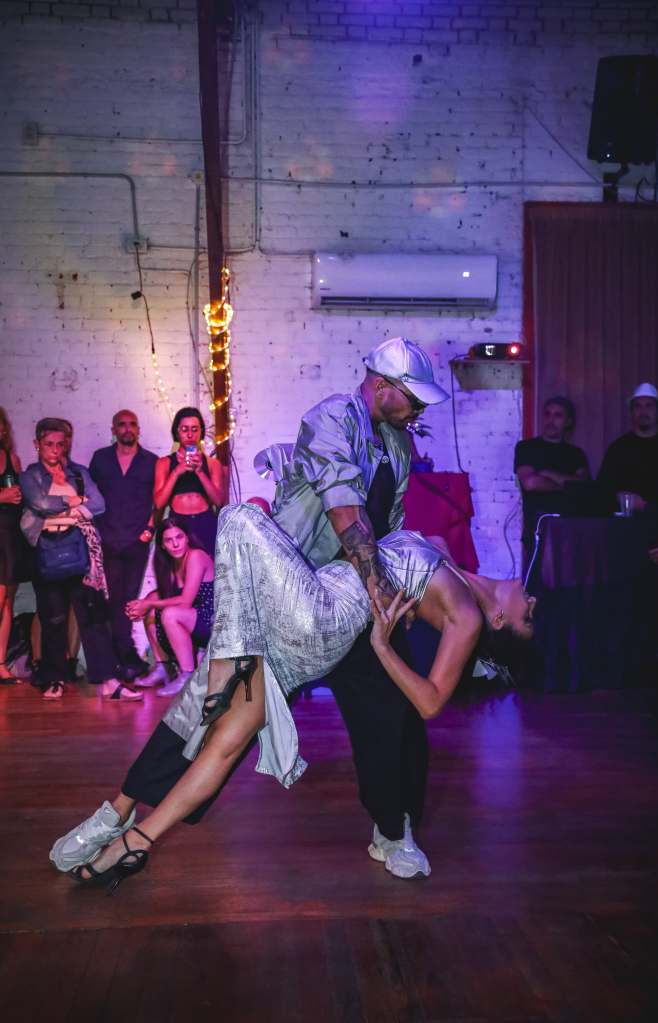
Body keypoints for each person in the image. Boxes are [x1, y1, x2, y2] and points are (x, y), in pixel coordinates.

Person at [49, 502, 534, 888]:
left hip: (324, 618)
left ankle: (221, 668)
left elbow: (430, 703)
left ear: (499, 622)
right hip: (295, 620)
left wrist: (383, 648)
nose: (532, 600)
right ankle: (135, 842)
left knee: (239, 516)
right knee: (222, 745)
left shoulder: (468, 617)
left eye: (527, 617)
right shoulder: (446, 556)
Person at [272, 336, 451, 878]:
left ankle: (394, 831)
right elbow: (346, 515)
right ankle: (128, 812)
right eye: (412, 398)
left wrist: (397, 595)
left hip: (360, 596)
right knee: (224, 721)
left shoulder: (398, 443)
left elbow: (388, 527)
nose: (418, 409)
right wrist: (383, 594)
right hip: (303, 597)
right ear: (381, 386)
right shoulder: (330, 418)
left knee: (397, 712)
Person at [19, 418, 141, 701]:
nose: (55, 449)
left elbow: (98, 504)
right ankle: (54, 678)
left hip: (80, 550)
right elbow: (40, 504)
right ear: (37, 444)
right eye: (49, 444)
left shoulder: (79, 473)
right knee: (53, 618)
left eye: (60, 444)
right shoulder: (30, 475)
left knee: (94, 616)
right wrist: (74, 503)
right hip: (47, 551)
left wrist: (60, 512)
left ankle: (108, 681)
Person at [89, 410, 157, 682]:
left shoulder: (151, 461)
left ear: (138, 429)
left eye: (132, 425)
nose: (127, 429)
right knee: (113, 599)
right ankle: (124, 658)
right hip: (107, 540)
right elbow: (90, 495)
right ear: (113, 429)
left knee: (128, 597)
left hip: (136, 542)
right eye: (122, 425)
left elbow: (158, 499)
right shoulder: (100, 459)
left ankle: (124, 658)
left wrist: (149, 530)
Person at [125, 517, 214, 697]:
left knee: (170, 613)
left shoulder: (196, 556)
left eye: (179, 537)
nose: (175, 544)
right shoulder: (170, 562)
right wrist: (141, 605)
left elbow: (186, 600)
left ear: (187, 538)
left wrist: (149, 603)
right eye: (168, 540)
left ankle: (187, 676)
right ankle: (163, 668)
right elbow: (164, 595)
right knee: (151, 602)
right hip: (193, 618)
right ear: (162, 545)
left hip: (212, 620)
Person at [514, 396, 590, 564]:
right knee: (538, 579)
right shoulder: (526, 448)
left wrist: (547, 474)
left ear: (568, 421)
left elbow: (584, 486)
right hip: (538, 530)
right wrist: (568, 485)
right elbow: (530, 483)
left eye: (558, 415)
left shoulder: (576, 454)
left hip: (572, 530)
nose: (551, 420)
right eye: (547, 414)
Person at [597, 383, 658, 513]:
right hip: (630, 520)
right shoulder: (619, 448)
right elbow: (602, 489)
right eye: (638, 406)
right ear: (631, 412)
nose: (643, 411)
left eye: (649, 406)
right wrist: (620, 496)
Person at [153, 407, 224, 557]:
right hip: (178, 524)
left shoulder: (212, 464)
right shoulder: (164, 463)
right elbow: (159, 503)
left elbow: (218, 501)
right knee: (182, 569)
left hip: (205, 522)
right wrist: (176, 472)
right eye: (185, 429)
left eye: (195, 429)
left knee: (208, 567)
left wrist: (200, 472)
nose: (190, 435)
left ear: (201, 432)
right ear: (177, 431)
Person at [0, 408, 25, 685]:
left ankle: (1, 664)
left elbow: (20, 497)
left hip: (9, 536)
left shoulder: (12, 459)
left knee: (8, 601)